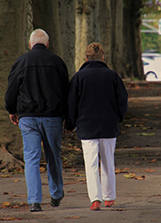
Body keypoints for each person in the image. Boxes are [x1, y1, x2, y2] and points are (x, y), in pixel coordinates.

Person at [4, 29, 68, 212]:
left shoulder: (21, 61)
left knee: (31, 158)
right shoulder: (57, 62)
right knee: (53, 156)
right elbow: (66, 92)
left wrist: (12, 110)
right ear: (47, 44)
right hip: (53, 117)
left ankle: (34, 201)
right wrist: (68, 118)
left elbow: (11, 90)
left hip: (28, 117)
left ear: (31, 44)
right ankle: (56, 194)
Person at [66, 42, 128, 211]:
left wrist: (70, 124)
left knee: (91, 164)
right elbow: (122, 100)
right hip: (108, 125)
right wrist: (118, 118)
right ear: (102, 57)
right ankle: (109, 197)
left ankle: (95, 199)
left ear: (85, 58)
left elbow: (72, 104)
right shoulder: (112, 76)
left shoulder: (79, 77)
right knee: (108, 161)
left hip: (86, 127)